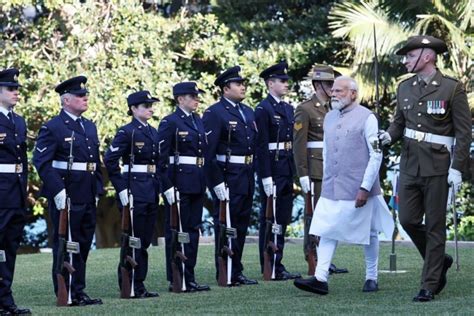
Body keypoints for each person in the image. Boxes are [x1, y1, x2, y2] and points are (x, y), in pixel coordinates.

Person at [379, 35, 471, 302]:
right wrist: (387, 136)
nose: (405, 60)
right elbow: (399, 123)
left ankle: (429, 283)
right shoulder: (405, 88)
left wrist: (457, 168)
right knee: (407, 219)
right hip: (409, 164)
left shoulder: (452, 88)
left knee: (434, 226)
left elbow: (464, 134)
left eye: (410, 56)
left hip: (439, 166)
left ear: (427, 56)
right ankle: (440, 260)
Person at [294, 76, 394, 295]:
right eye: (333, 90)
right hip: (332, 185)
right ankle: (320, 278)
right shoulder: (329, 117)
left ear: (353, 94)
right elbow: (328, 151)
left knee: (369, 232)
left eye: (340, 91)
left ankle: (371, 277)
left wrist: (365, 187)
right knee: (325, 229)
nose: (334, 94)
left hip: (358, 186)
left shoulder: (368, 118)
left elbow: (376, 155)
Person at [33, 76, 104, 306]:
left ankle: (79, 290)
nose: (85, 98)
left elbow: (95, 162)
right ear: (66, 100)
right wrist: (57, 190)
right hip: (66, 194)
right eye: (80, 96)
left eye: (85, 95)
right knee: (65, 245)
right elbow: (42, 162)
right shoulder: (53, 127)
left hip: (86, 192)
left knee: (83, 244)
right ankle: (65, 291)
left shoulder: (89, 126)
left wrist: (98, 189)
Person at [202, 66, 258, 285]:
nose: (243, 87)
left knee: (241, 224)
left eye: (243, 83)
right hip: (228, 176)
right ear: (226, 88)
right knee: (227, 224)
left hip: (245, 174)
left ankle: (237, 269)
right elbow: (208, 152)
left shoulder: (247, 111)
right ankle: (225, 270)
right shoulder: (215, 113)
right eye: (238, 84)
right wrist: (216, 182)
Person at [104, 90, 161, 298]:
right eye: (145, 106)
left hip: (151, 188)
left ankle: (140, 283)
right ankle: (128, 284)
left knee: (144, 240)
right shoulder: (126, 132)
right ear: (134, 109)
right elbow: (110, 160)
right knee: (132, 238)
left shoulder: (153, 132)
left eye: (151, 105)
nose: (150, 109)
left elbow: (159, 163)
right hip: (134, 189)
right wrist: (121, 189)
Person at [293, 64, 347, 275]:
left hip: (332, 168)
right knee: (314, 216)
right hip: (315, 169)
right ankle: (312, 257)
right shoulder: (305, 109)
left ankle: (325, 259)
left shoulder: (334, 109)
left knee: (331, 216)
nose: (333, 88)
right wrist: (303, 173)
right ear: (318, 85)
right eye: (329, 84)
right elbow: (299, 144)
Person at [157, 82, 210, 292]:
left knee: (193, 230)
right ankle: (176, 277)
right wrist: (167, 186)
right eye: (192, 96)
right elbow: (161, 158)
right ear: (180, 99)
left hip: (196, 182)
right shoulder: (170, 122)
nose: (197, 99)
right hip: (179, 183)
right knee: (176, 231)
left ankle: (190, 274)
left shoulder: (197, 120)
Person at [255, 61, 300, 280]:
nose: (286, 84)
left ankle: (278, 262)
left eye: (286, 81)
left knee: (282, 218)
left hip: (286, 167)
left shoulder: (287, 108)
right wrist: (265, 176)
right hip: (272, 168)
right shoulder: (263, 110)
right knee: (269, 217)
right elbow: (261, 146)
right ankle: (268, 262)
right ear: (270, 83)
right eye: (282, 81)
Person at [0, 68, 31, 315]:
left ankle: (6, 300)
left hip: (16, 192)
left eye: (17, 89)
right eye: (11, 89)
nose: (16, 93)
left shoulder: (18, 121)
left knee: (9, 247)